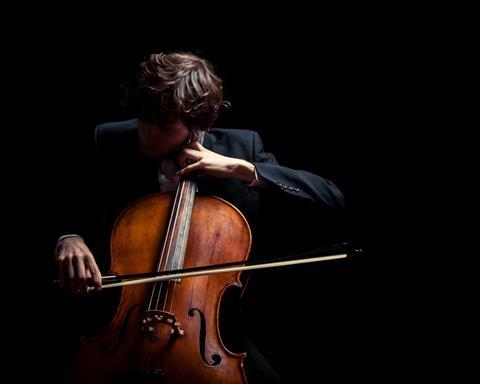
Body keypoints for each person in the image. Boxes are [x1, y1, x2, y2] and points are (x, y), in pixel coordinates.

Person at [53, 51, 345, 382]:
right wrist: (69, 236)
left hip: (214, 329)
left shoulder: (241, 147)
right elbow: (66, 196)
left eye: (163, 125)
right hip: (114, 321)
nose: (146, 134)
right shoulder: (109, 139)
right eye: (142, 119)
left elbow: (332, 200)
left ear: (200, 122)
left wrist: (243, 169)